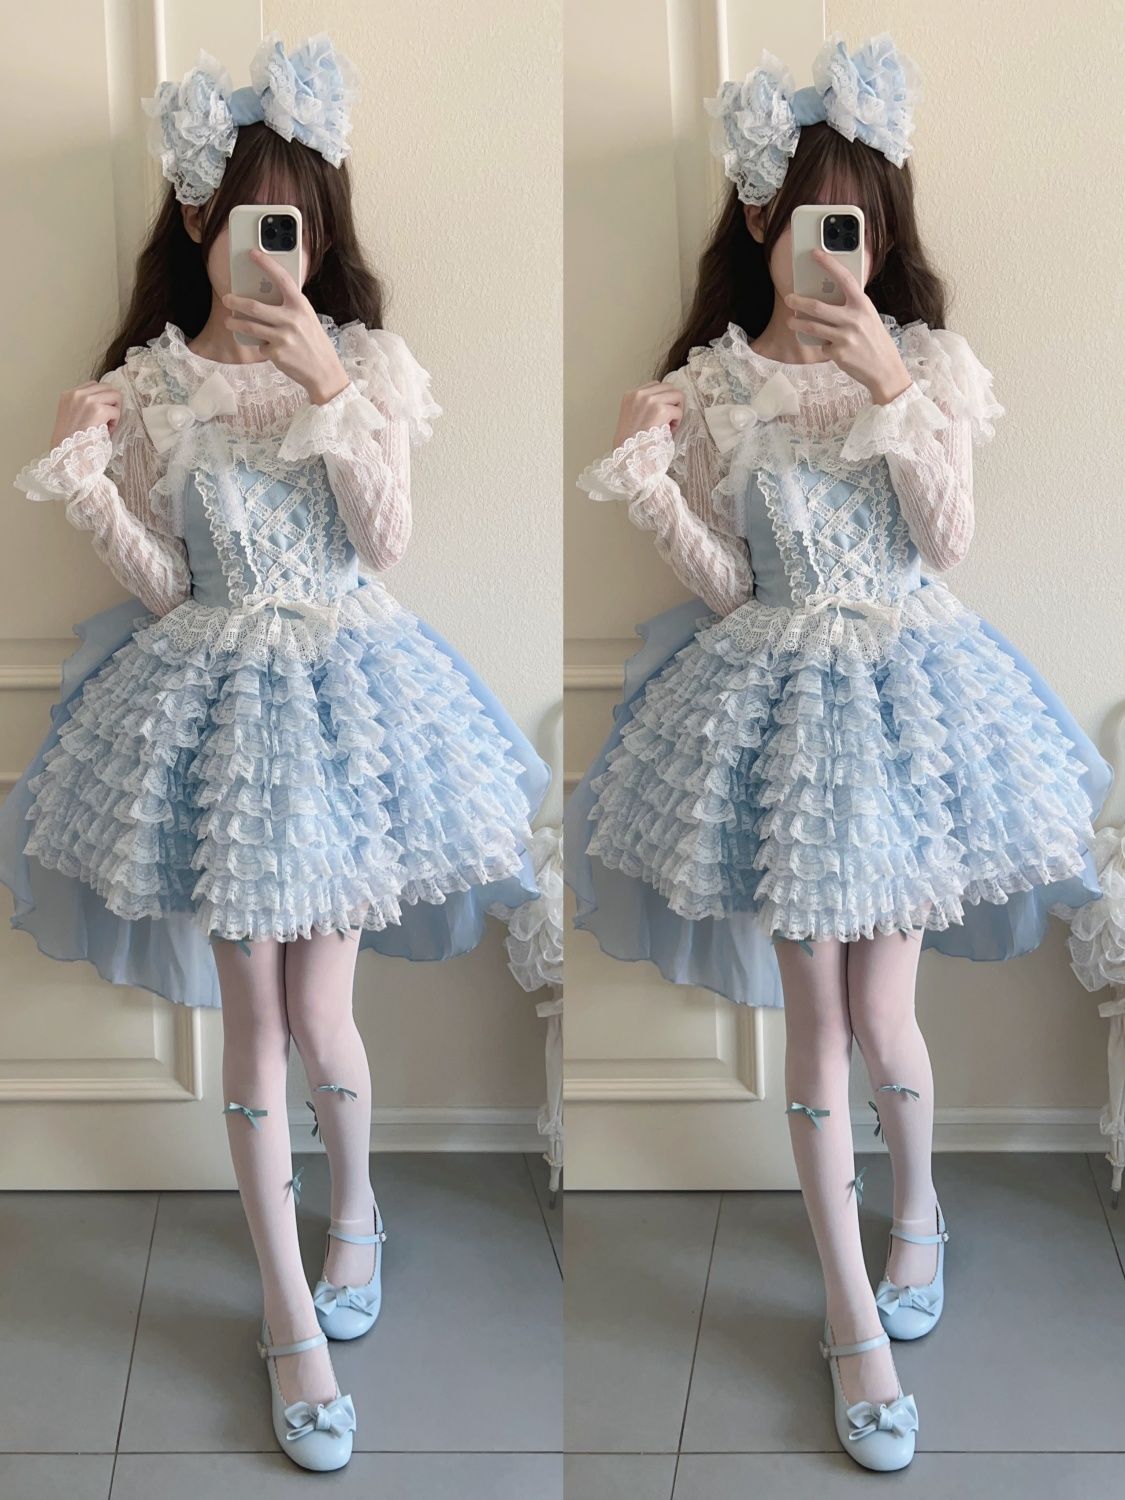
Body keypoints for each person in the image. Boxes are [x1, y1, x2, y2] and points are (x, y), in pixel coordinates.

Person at [1, 33, 548, 1472]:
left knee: (325, 1014)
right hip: (218, 716)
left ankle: (355, 1208)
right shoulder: (154, 383)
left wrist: (328, 389)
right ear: (198, 218)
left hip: (352, 706)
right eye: (249, 217)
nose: (269, 247)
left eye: (294, 220)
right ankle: (288, 1316)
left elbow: (387, 541)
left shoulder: (363, 362)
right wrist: (84, 481)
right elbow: (166, 586)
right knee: (255, 1020)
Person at [564, 34, 1108, 1472]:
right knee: (815, 1021)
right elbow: (727, 585)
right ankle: (849, 1313)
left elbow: (948, 542)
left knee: (886, 1012)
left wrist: (889, 388)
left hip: (915, 705)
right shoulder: (716, 384)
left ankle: (917, 1208)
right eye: (810, 215)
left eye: (856, 219)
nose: (830, 246)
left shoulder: (925, 361)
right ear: (758, 216)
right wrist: (648, 485)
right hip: (780, 717)